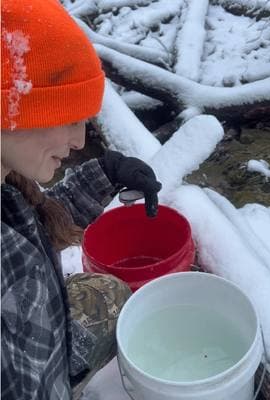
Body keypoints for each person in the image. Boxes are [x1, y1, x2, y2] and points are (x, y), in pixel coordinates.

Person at [1, 1, 162, 399]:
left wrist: (104, 173)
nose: (79, 143)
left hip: (47, 347)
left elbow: (30, 227)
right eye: (70, 118)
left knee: (105, 293)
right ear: (14, 108)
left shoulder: (8, 180)